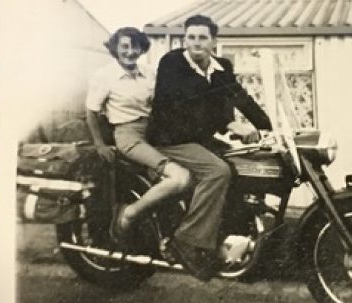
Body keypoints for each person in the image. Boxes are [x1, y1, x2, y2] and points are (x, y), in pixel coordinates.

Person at [147, 15, 272, 281]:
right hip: (171, 138)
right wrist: (229, 125)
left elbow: (240, 97)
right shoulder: (172, 63)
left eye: (202, 37)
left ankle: (226, 235)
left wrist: (268, 125)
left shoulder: (220, 66)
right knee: (217, 172)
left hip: (199, 139)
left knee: (243, 163)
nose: (196, 43)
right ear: (185, 39)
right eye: (191, 37)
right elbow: (183, 105)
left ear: (214, 41)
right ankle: (187, 241)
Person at [85, 27, 191, 249]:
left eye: (135, 46)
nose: (130, 51)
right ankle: (128, 215)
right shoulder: (105, 75)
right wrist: (100, 144)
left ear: (142, 48)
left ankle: (169, 236)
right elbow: (91, 112)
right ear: (115, 48)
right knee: (180, 178)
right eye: (124, 46)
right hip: (128, 135)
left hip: (156, 133)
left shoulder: (149, 72)